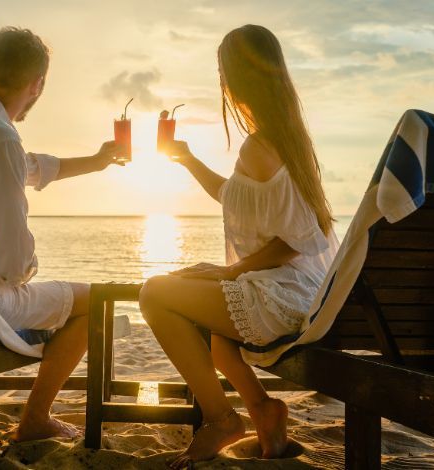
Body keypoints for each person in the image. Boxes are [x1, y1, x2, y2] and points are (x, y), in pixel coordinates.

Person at [138, 24, 340, 467]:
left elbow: (296, 241)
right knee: (194, 298)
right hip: (302, 288)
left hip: (287, 296)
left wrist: (234, 270)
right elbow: (235, 196)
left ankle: (221, 419)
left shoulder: (260, 145)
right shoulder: (285, 139)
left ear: (232, 80)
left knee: (154, 294)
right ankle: (262, 409)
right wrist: (188, 159)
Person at [0, 27, 122, 442]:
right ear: (38, 84)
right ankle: (35, 419)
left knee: (75, 297)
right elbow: (12, 265)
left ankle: (37, 417)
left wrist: (97, 162)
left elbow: (28, 167)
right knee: (98, 302)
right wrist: (30, 267)